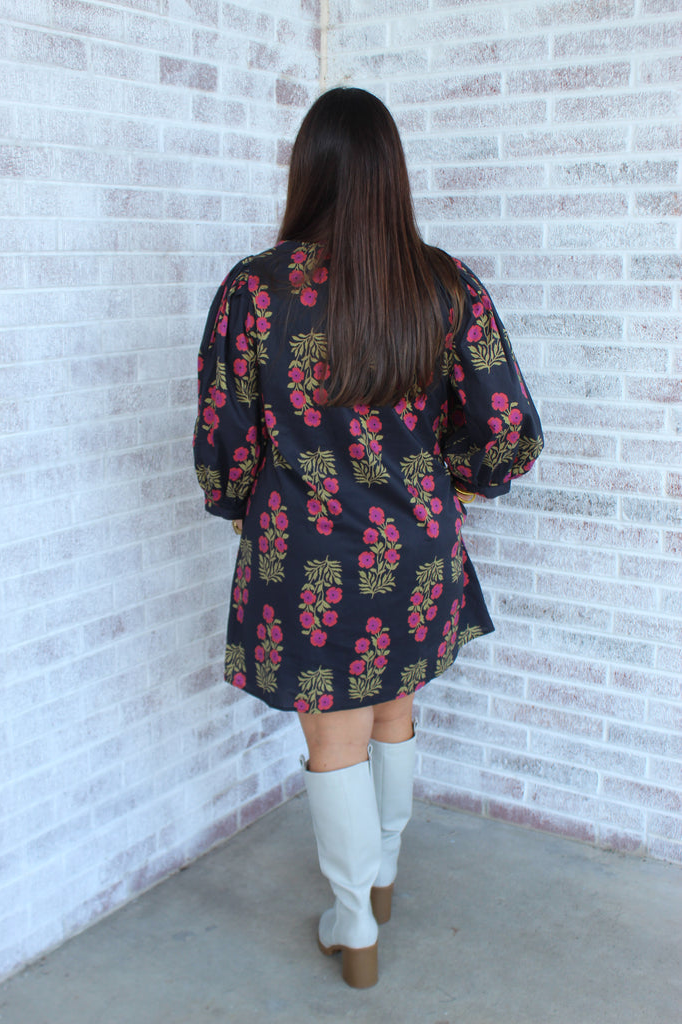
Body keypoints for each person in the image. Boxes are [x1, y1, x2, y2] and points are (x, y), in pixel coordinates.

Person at [193, 87, 543, 988]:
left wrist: (241, 506)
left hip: (306, 552)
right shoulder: (443, 283)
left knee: (335, 740)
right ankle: (380, 881)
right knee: (393, 710)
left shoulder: (255, 290)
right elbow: (506, 426)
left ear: (307, 170)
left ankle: (353, 926)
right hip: (416, 548)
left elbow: (226, 437)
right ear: (392, 173)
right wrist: (452, 484)